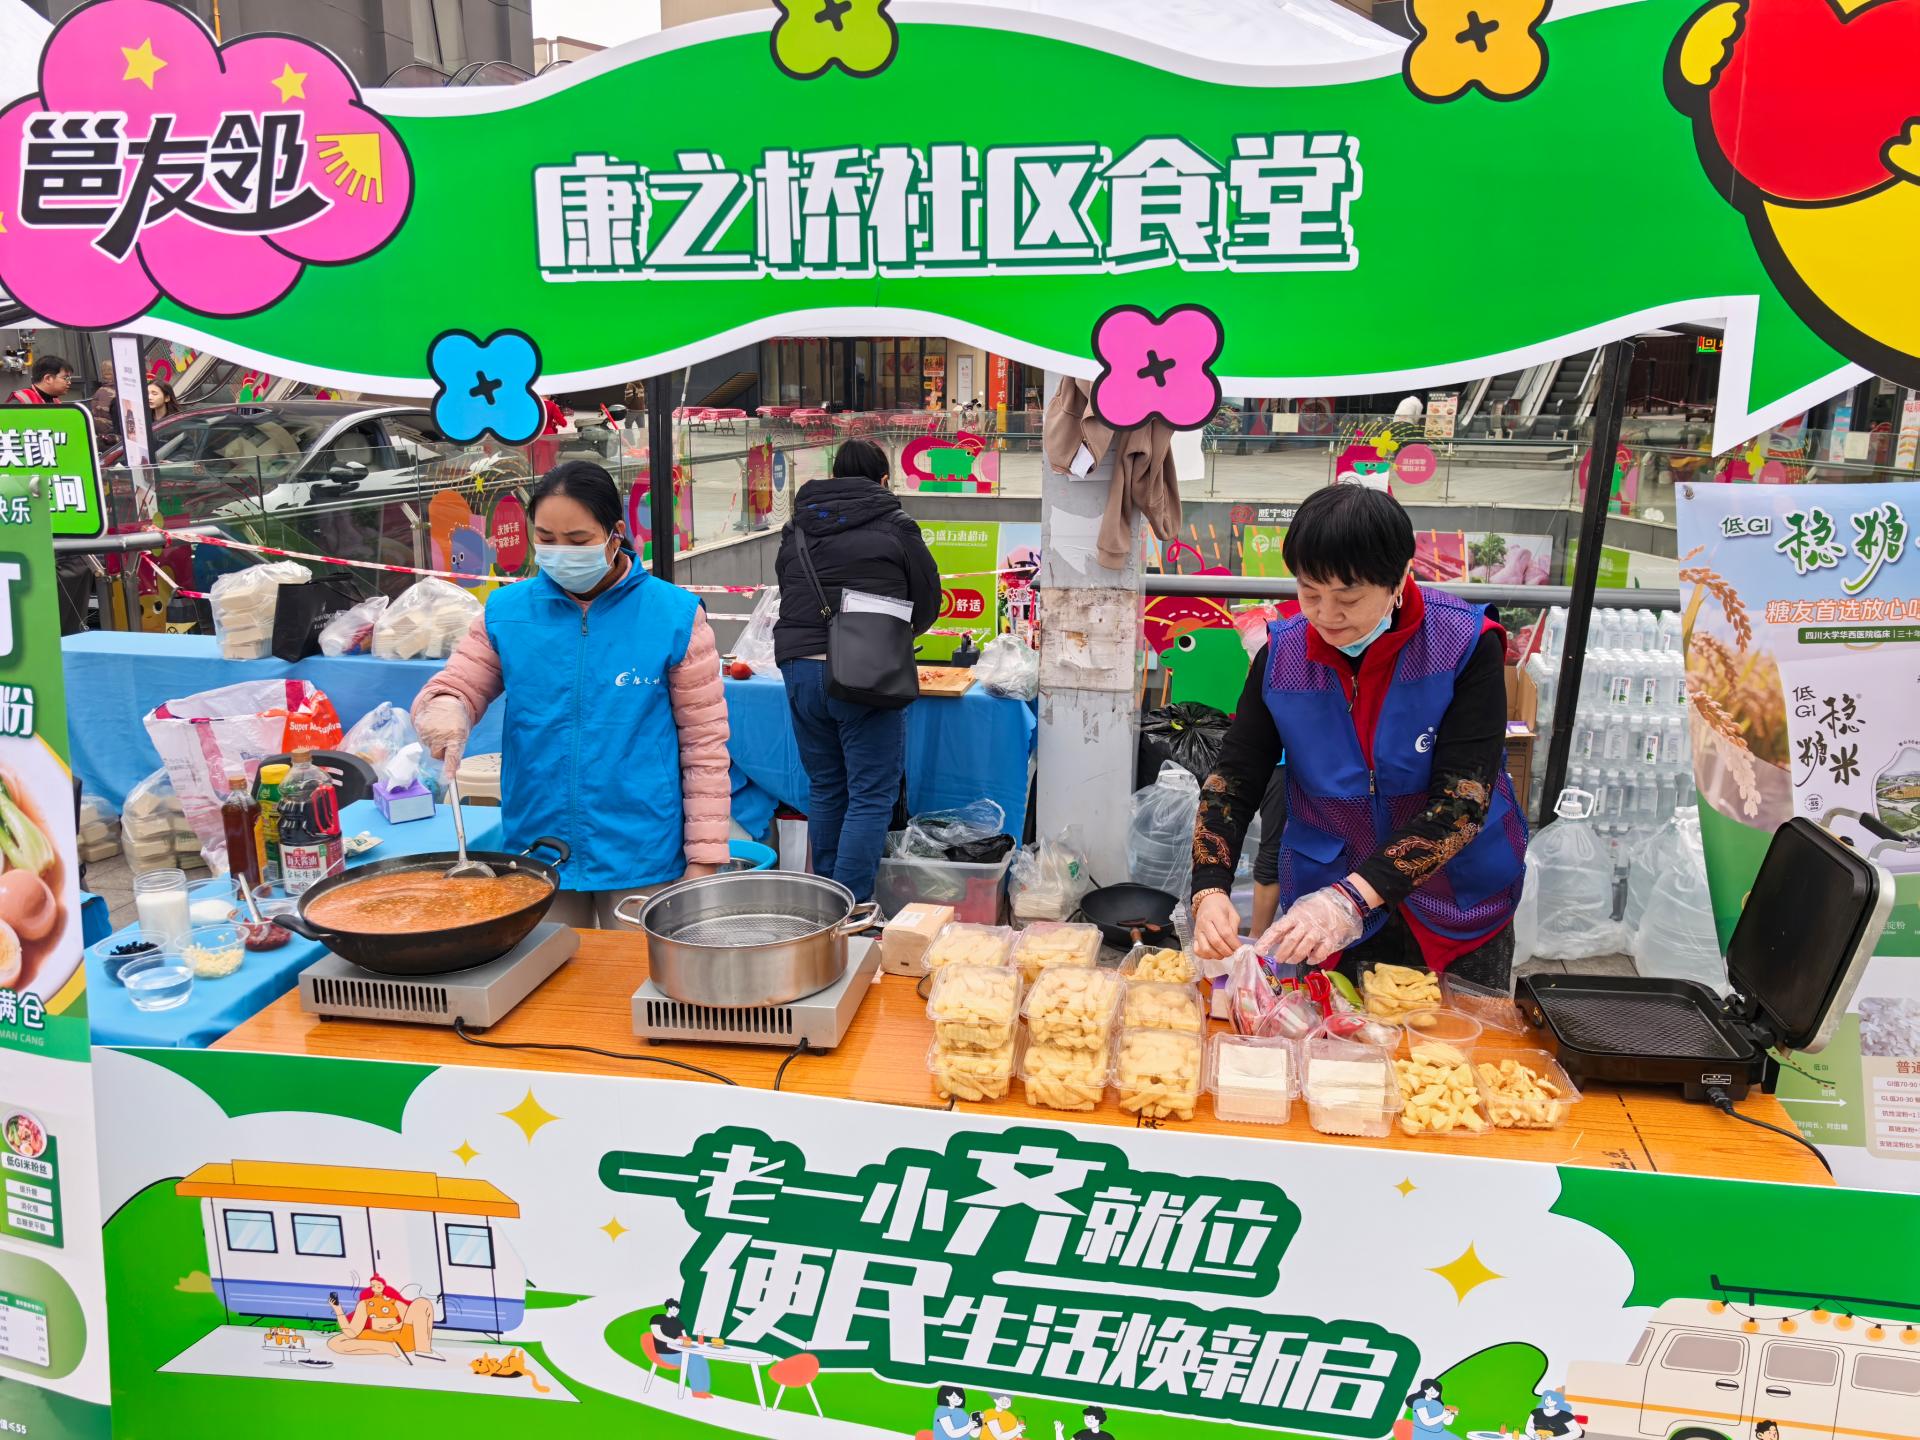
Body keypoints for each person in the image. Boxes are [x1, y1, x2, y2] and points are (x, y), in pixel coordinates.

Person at [1190, 485, 1526, 989]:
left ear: (1399, 578)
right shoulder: (1281, 657)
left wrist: (1349, 900)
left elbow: (1462, 802)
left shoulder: (1465, 646)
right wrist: (1210, 888)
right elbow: (1233, 781)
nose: (1326, 615)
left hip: (1455, 895)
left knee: (1459, 1033)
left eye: (1348, 597)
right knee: (1333, 1030)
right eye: (1309, 593)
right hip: (1325, 905)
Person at [414, 460, 731, 928]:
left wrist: (704, 858)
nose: (561, 552)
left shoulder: (674, 615)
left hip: (642, 850)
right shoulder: (506, 611)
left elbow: (705, 747)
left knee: (636, 970)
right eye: (545, 538)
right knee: (548, 969)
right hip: (538, 847)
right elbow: (458, 682)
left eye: (579, 541)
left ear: (615, 534)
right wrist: (446, 708)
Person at [773, 437, 940, 902]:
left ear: (835, 475)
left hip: (799, 667)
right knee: (870, 794)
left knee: (827, 787)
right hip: (867, 672)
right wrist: (894, 636)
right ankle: (851, 910)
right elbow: (928, 600)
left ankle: (827, 907)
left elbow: (789, 591)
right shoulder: (896, 525)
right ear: (883, 480)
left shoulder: (797, 527)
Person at [327, 1274, 440, 1360]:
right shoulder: (364, 1304)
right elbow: (352, 1333)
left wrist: (395, 1325)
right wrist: (338, 1310)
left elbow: (407, 1318)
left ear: (384, 1286)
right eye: (373, 1285)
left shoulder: (395, 1302)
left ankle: (423, 1350)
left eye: (378, 1284)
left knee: (422, 1302)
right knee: (334, 1342)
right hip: (380, 1340)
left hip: (403, 1337)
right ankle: (390, 1349)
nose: (376, 1287)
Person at [648, 1297, 710, 1399]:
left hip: (678, 1352)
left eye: (677, 1309)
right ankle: (698, 1392)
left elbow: (685, 1337)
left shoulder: (678, 1322)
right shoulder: (657, 1318)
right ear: (668, 1308)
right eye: (674, 1308)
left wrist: (688, 1342)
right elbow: (658, 1335)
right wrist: (674, 1341)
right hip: (664, 1354)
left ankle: (701, 1391)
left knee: (699, 1358)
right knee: (694, 1360)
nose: (676, 1311)